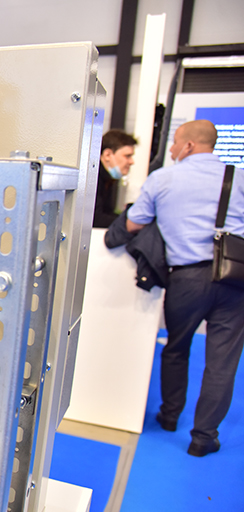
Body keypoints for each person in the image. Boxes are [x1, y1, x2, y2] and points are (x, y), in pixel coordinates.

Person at [127, 120, 244, 457]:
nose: (173, 149)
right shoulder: (238, 178)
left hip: (186, 278)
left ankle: (169, 416)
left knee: (177, 348)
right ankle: (203, 438)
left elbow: (134, 222)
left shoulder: (163, 178)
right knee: (222, 362)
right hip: (235, 279)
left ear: (189, 145)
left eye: (176, 142)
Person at [94, 130, 137, 228]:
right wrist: (130, 223)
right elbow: (95, 219)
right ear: (108, 155)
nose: (132, 162)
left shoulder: (108, 179)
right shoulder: (93, 179)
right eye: (127, 156)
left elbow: (107, 212)